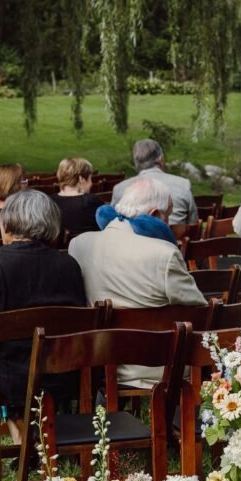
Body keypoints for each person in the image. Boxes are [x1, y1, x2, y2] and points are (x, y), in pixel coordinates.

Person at [0, 189, 86, 438]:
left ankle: (24, 437)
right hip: (64, 374)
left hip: (6, 379)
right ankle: (33, 437)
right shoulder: (69, 266)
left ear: (8, 223)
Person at [68, 176, 206, 387]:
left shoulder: (79, 244)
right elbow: (199, 312)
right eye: (167, 216)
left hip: (98, 359)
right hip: (156, 364)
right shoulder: (164, 253)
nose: (168, 224)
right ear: (153, 215)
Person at [111, 139, 198, 226]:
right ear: (161, 159)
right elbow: (193, 224)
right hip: (177, 238)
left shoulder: (119, 189)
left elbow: (113, 224)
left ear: (136, 163)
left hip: (131, 238)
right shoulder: (183, 184)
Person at [53, 157, 103, 236]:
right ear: (81, 179)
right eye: (90, 179)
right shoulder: (91, 201)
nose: (91, 184)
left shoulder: (48, 201)